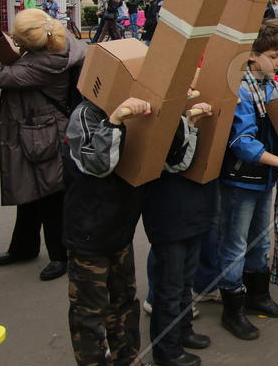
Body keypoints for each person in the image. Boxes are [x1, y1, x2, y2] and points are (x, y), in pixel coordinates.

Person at [63, 95, 209, 366]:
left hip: (121, 230)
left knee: (124, 303)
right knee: (89, 313)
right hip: (89, 233)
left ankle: (128, 358)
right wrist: (116, 120)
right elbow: (97, 165)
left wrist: (187, 124)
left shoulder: (143, 112)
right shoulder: (85, 114)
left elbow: (173, 163)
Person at [215, 20, 278, 341]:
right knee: (235, 244)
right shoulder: (242, 92)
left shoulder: (270, 87)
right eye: (274, 56)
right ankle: (232, 309)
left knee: (260, 239)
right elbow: (242, 143)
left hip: (264, 179)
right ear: (251, 57)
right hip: (240, 181)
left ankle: (256, 297)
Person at [0, 9, 85, 281]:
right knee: (30, 194)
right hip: (40, 130)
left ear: (30, 43)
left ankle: (60, 256)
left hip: (44, 134)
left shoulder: (44, 63)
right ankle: (24, 247)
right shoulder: (57, 43)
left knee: (51, 197)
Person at [141, 101, 216, 366]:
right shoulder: (158, 120)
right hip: (168, 213)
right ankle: (167, 350)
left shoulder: (185, 116)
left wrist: (192, 123)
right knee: (169, 286)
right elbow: (176, 163)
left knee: (184, 281)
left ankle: (183, 331)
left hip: (192, 210)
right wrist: (191, 127)